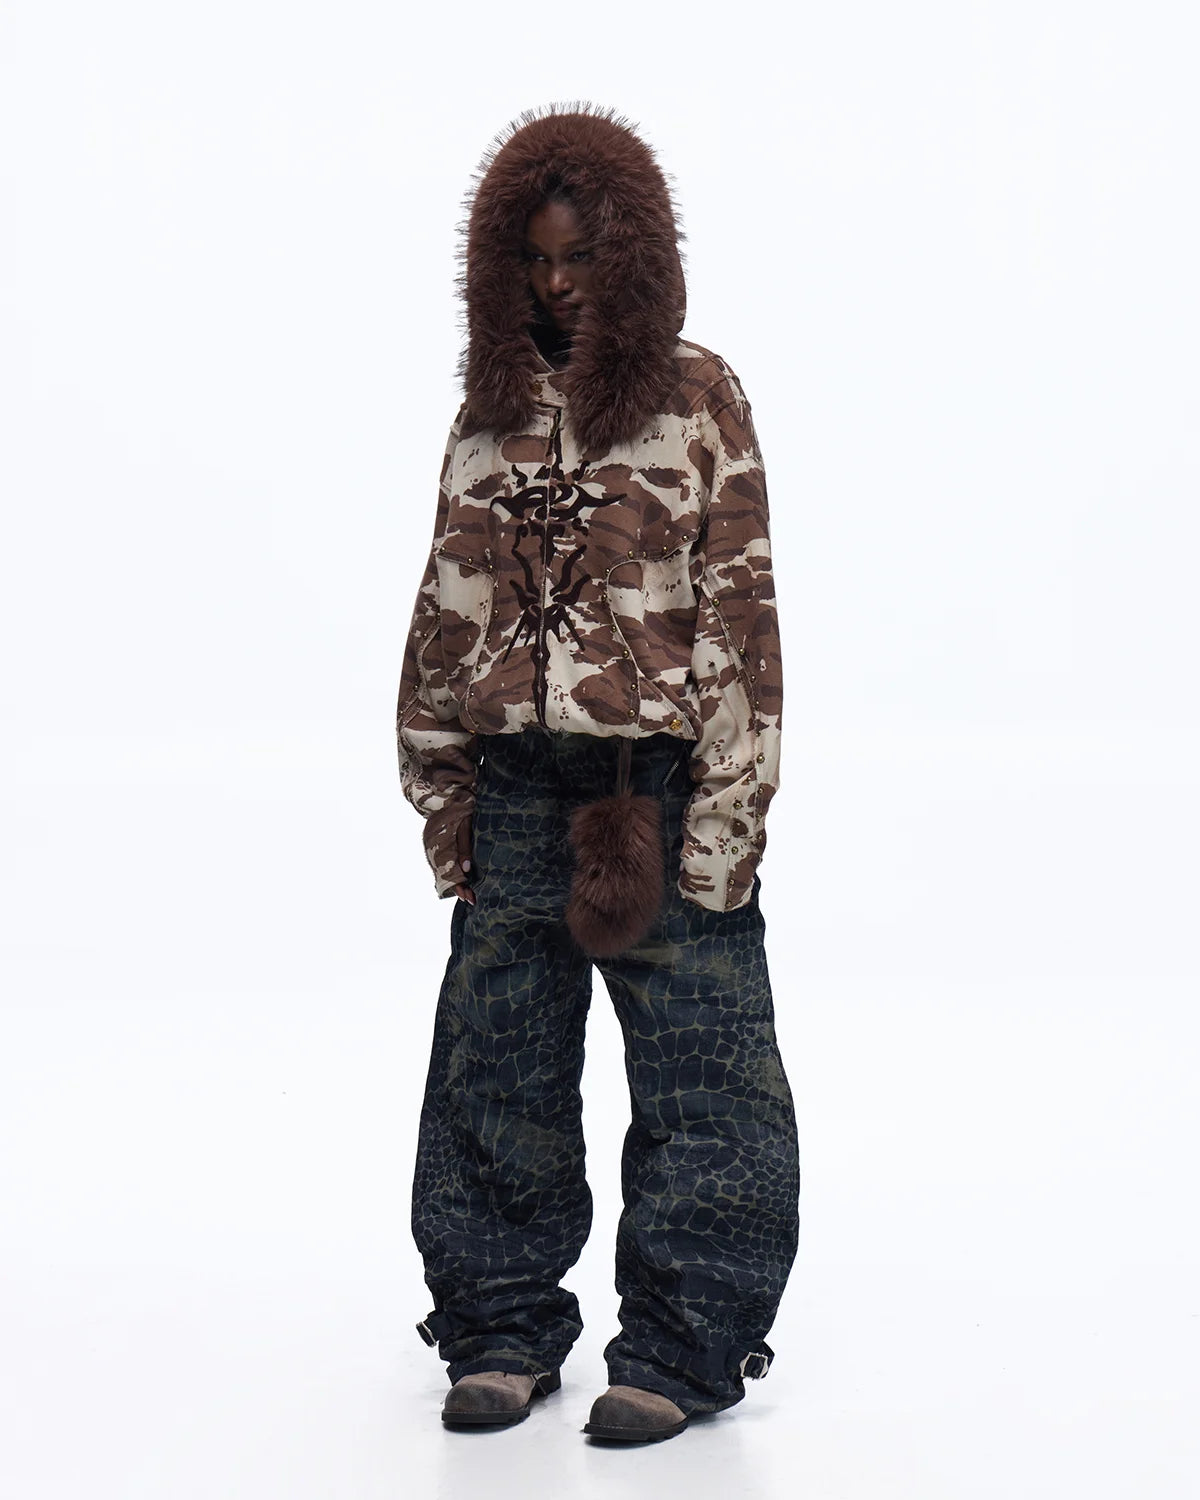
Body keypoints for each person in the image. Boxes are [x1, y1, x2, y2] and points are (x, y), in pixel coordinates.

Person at [396, 101, 800, 1443]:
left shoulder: (697, 396)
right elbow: (443, 605)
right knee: (493, 1071)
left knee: (704, 1071)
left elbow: (741, 612)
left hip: (659, 785)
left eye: (580, 257)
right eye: (534, 260)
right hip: (515, 789)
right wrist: (442, 791)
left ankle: (683, 1347)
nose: (558, 284)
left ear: (634, 255)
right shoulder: (487, 410)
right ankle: (499, 1325)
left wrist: (731, 814)